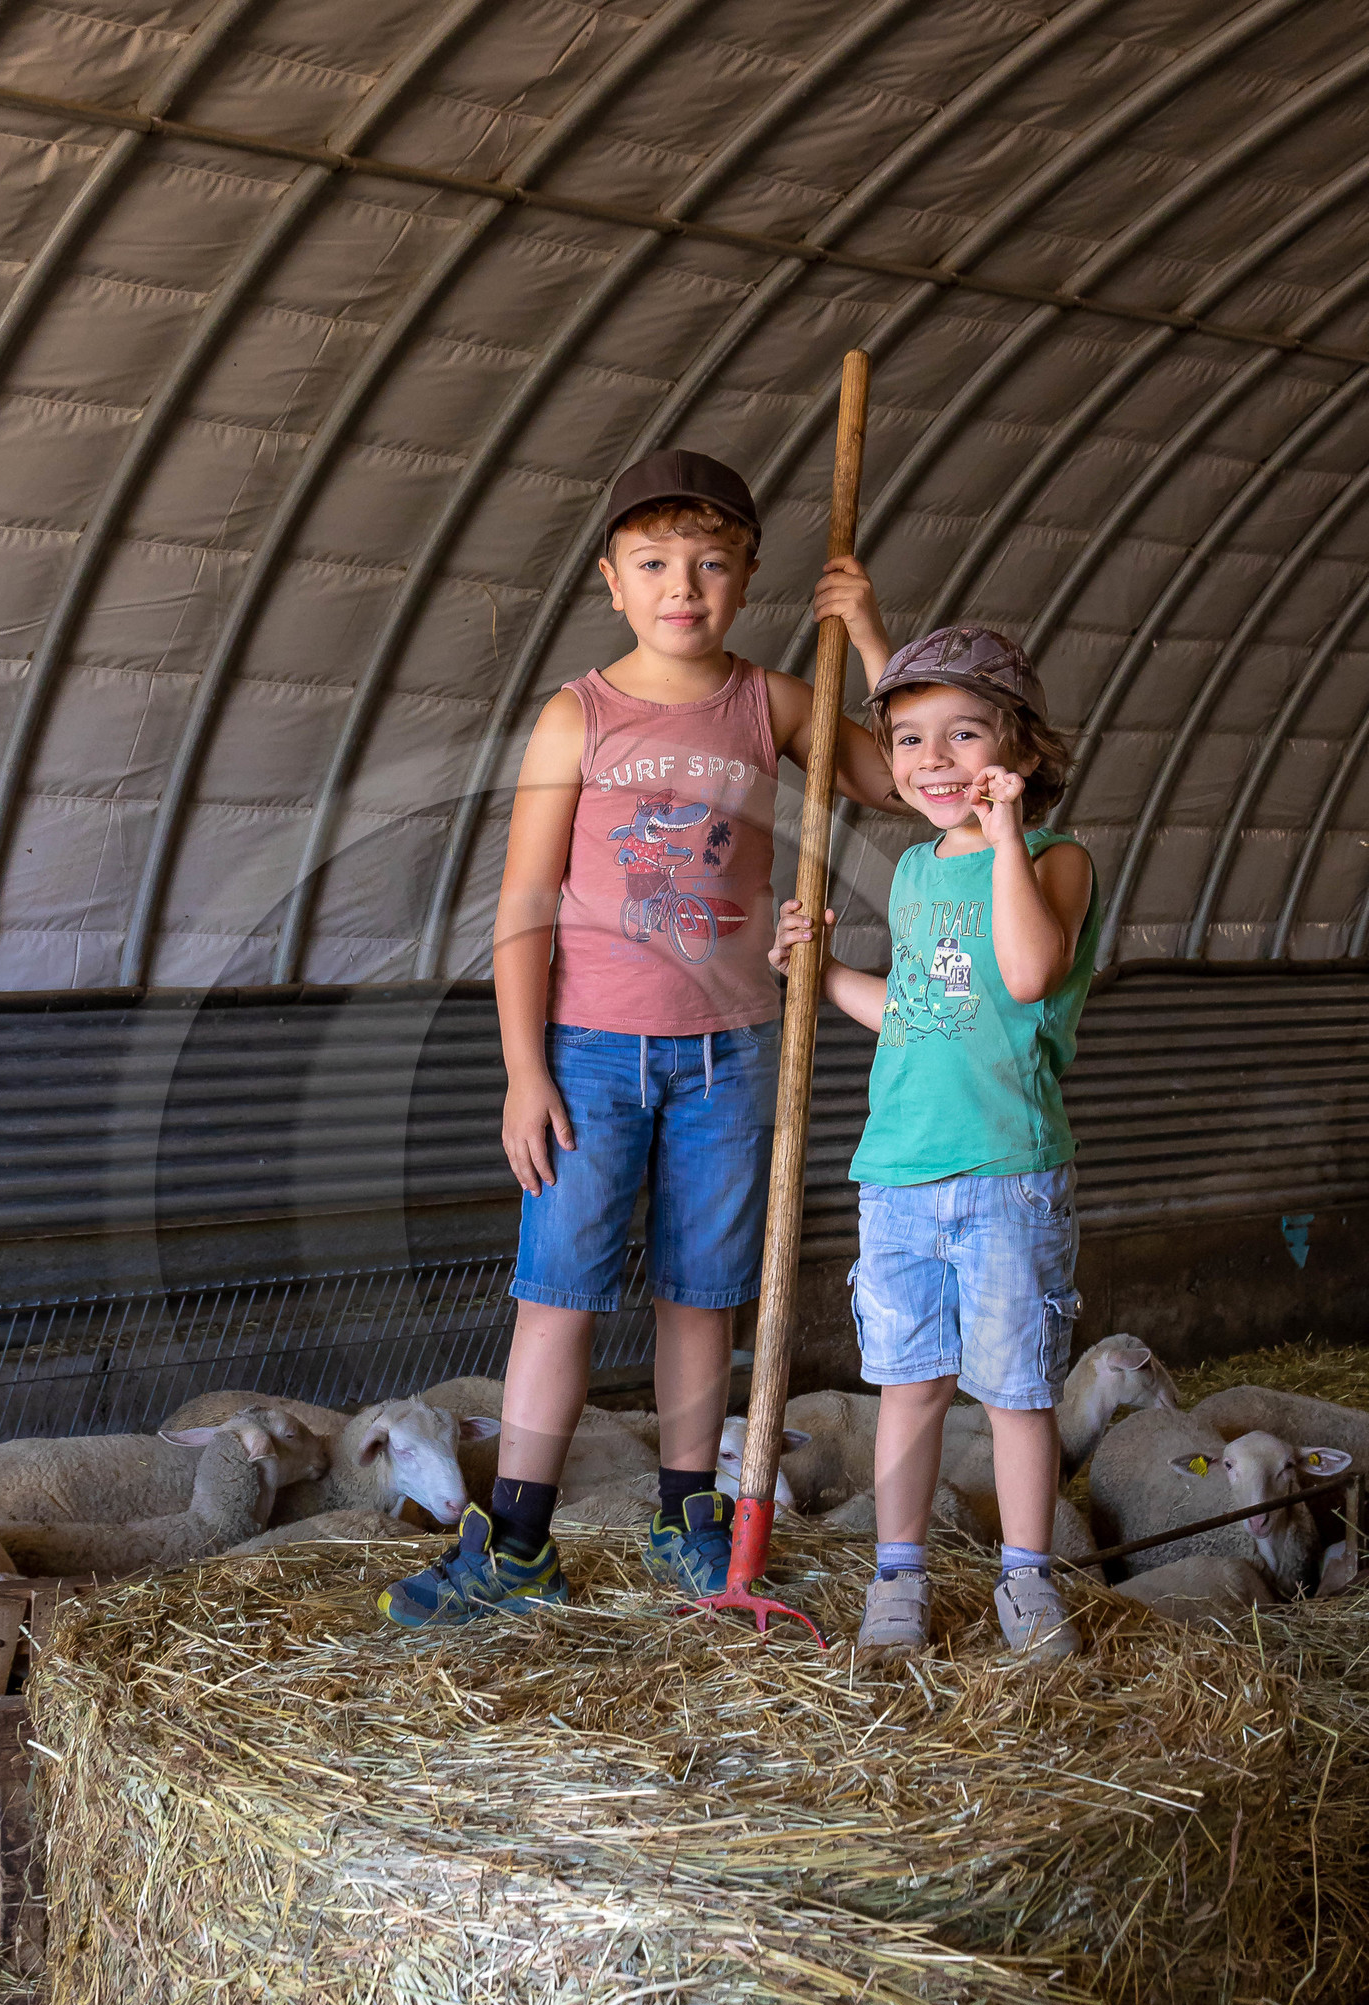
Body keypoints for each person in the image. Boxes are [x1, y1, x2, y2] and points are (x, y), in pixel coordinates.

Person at [380, 448, 899, 1627]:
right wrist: (523, 1072)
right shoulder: (578, 717)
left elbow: (896, 779)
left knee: (698, 1295)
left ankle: (686, 1513)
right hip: (592, 1054)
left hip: (731, 1052)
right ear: (611, 581)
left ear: (750, 577)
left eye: (712, 564)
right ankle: (516, 1542)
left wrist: (867, 635)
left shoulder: (769, 701)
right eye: (656, 563)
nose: (685, 586)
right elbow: (522, 908)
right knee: (558, 1293)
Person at [771, 624, 1098, 1661]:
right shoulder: (912, 875)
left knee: (1015, 1390)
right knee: (905, 1388)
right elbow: (918, 1007)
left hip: (1008, 1173)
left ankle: (1025, 1583)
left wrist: (1004, 839)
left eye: (963, 736)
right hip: (899, 1173)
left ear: (1021, 753)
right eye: (910, 741)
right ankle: (898, 1580)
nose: (934, 762)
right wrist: (816, 977)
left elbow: (1026, 973)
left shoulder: (1056, 860)